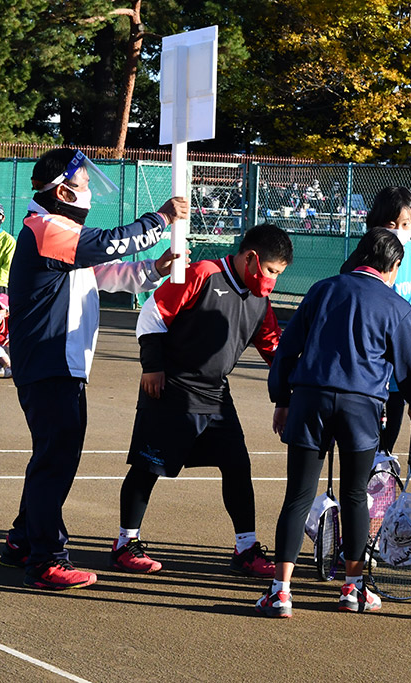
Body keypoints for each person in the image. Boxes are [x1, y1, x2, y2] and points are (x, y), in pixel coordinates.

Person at [0, 147, 187, 591]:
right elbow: (108, 244)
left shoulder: (56, 232)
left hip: (56, 365)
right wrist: (159, 220)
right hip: (50, 364)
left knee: (51, 457)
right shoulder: (46, 227)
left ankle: (23, 540)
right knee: (56, 461)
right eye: (84, 187)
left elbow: (105, 272)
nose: (89, 195)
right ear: (62, 191)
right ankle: (46, 559)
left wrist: (152, 269)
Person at [257, 228, 411, 618]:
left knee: (298, 496)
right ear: (394, 266)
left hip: (310, 398)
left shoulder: (322, 290)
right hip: (361, 406)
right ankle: (353, 588)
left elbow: (288, 348)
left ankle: (280, 591)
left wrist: (281, 399)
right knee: (355, 496)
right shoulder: (396, 305)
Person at [110, 224, 293, 578]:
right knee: (149, 467)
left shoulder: (260, 299)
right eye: (271, 271)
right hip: (171, 387)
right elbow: (153, 313)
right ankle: (124, 544)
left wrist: (295, 387)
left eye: (278, 274)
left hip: (216, 394)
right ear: (251, 258)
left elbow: (276, 349)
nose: (272, 280)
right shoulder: (203, 273)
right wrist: (152, 366)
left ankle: (245, 549)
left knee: (237, 465)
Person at [349, 186, 411, 454]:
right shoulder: (368, 251)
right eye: (392, 224)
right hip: (375, 357)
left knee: (395, 416)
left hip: (402, 353)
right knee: (367, 431)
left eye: (405, 224)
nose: (399, 230)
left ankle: (381, 474)